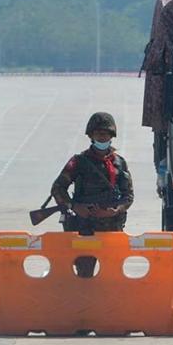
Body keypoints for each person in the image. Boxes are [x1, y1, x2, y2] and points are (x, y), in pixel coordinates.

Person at [50, 112, 134, 277]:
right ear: (91, 136)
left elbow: (128, 196)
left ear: (112, 136)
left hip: (111, 228)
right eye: (98, 134)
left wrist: (115, 210)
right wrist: (74, 206)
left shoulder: (119, 163)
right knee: (84, 274)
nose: (102, 138)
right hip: (85, 227)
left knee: (112, 275)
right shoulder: (78, 162)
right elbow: (57, 188)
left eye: (106, 134)